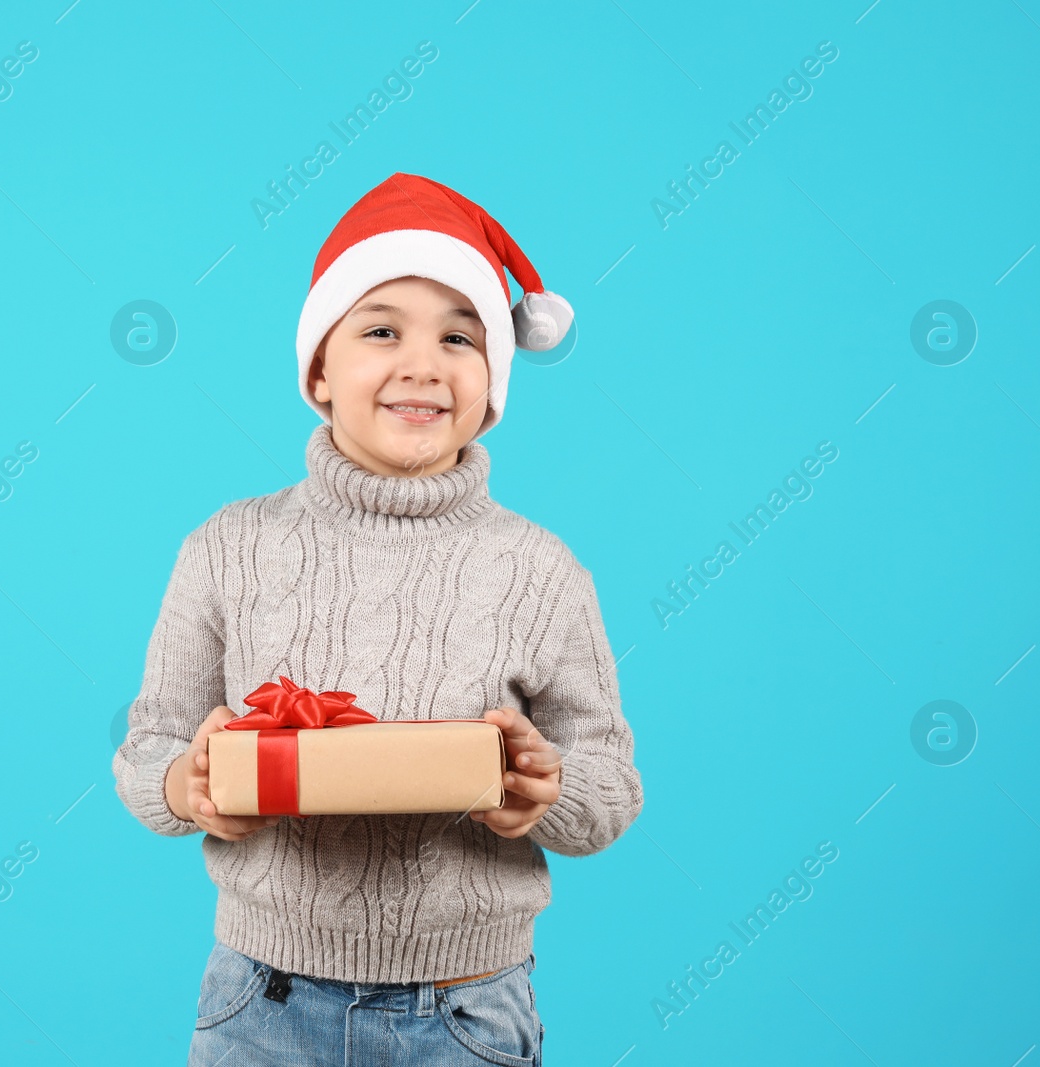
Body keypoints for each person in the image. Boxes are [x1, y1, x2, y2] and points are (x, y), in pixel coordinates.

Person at [113, 172, 643, 1066]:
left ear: (493, 377)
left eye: (460, 336)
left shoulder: (543, 570)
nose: (424, 364)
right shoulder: (228, 546)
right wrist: (189, 785)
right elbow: (146, 753)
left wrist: (546, 792)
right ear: (320, 365)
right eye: (382, 329)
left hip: (468, 1008)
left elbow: (612, 789)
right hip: (262, 1000)